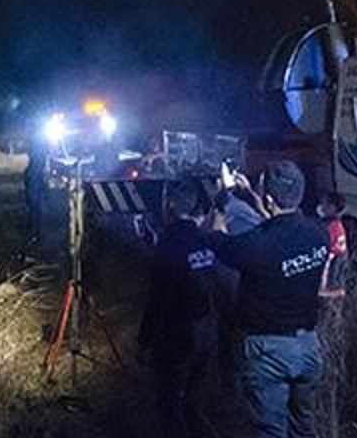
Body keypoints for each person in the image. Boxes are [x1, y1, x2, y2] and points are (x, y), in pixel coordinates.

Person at [204, 160, 328, 438]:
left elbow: (216, 237)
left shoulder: (254, 245)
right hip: (308, 347)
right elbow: (279, 222)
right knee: (304, 427)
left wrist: (222, 200)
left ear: (269, 200)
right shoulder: (319, 234)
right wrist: (252, 197)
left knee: (271, 430)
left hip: (268, 351)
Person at [139, 184, 227, 438]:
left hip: (177, 336)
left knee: (170, 405)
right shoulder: (207, 239)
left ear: (171, 207)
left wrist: (144, 342)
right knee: (193, 402)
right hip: (207, 333)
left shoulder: (168, 247)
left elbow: (157, 300)